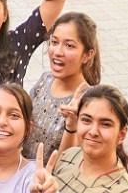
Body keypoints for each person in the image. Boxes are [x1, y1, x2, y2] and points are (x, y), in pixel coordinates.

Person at [22, 12, 101, 162]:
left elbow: (72, 162)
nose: (58, 52)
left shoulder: (89, 102)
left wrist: (72, 124)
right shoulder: (45, 80)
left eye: (69, 46)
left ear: (87, 55)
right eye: (54, 42)